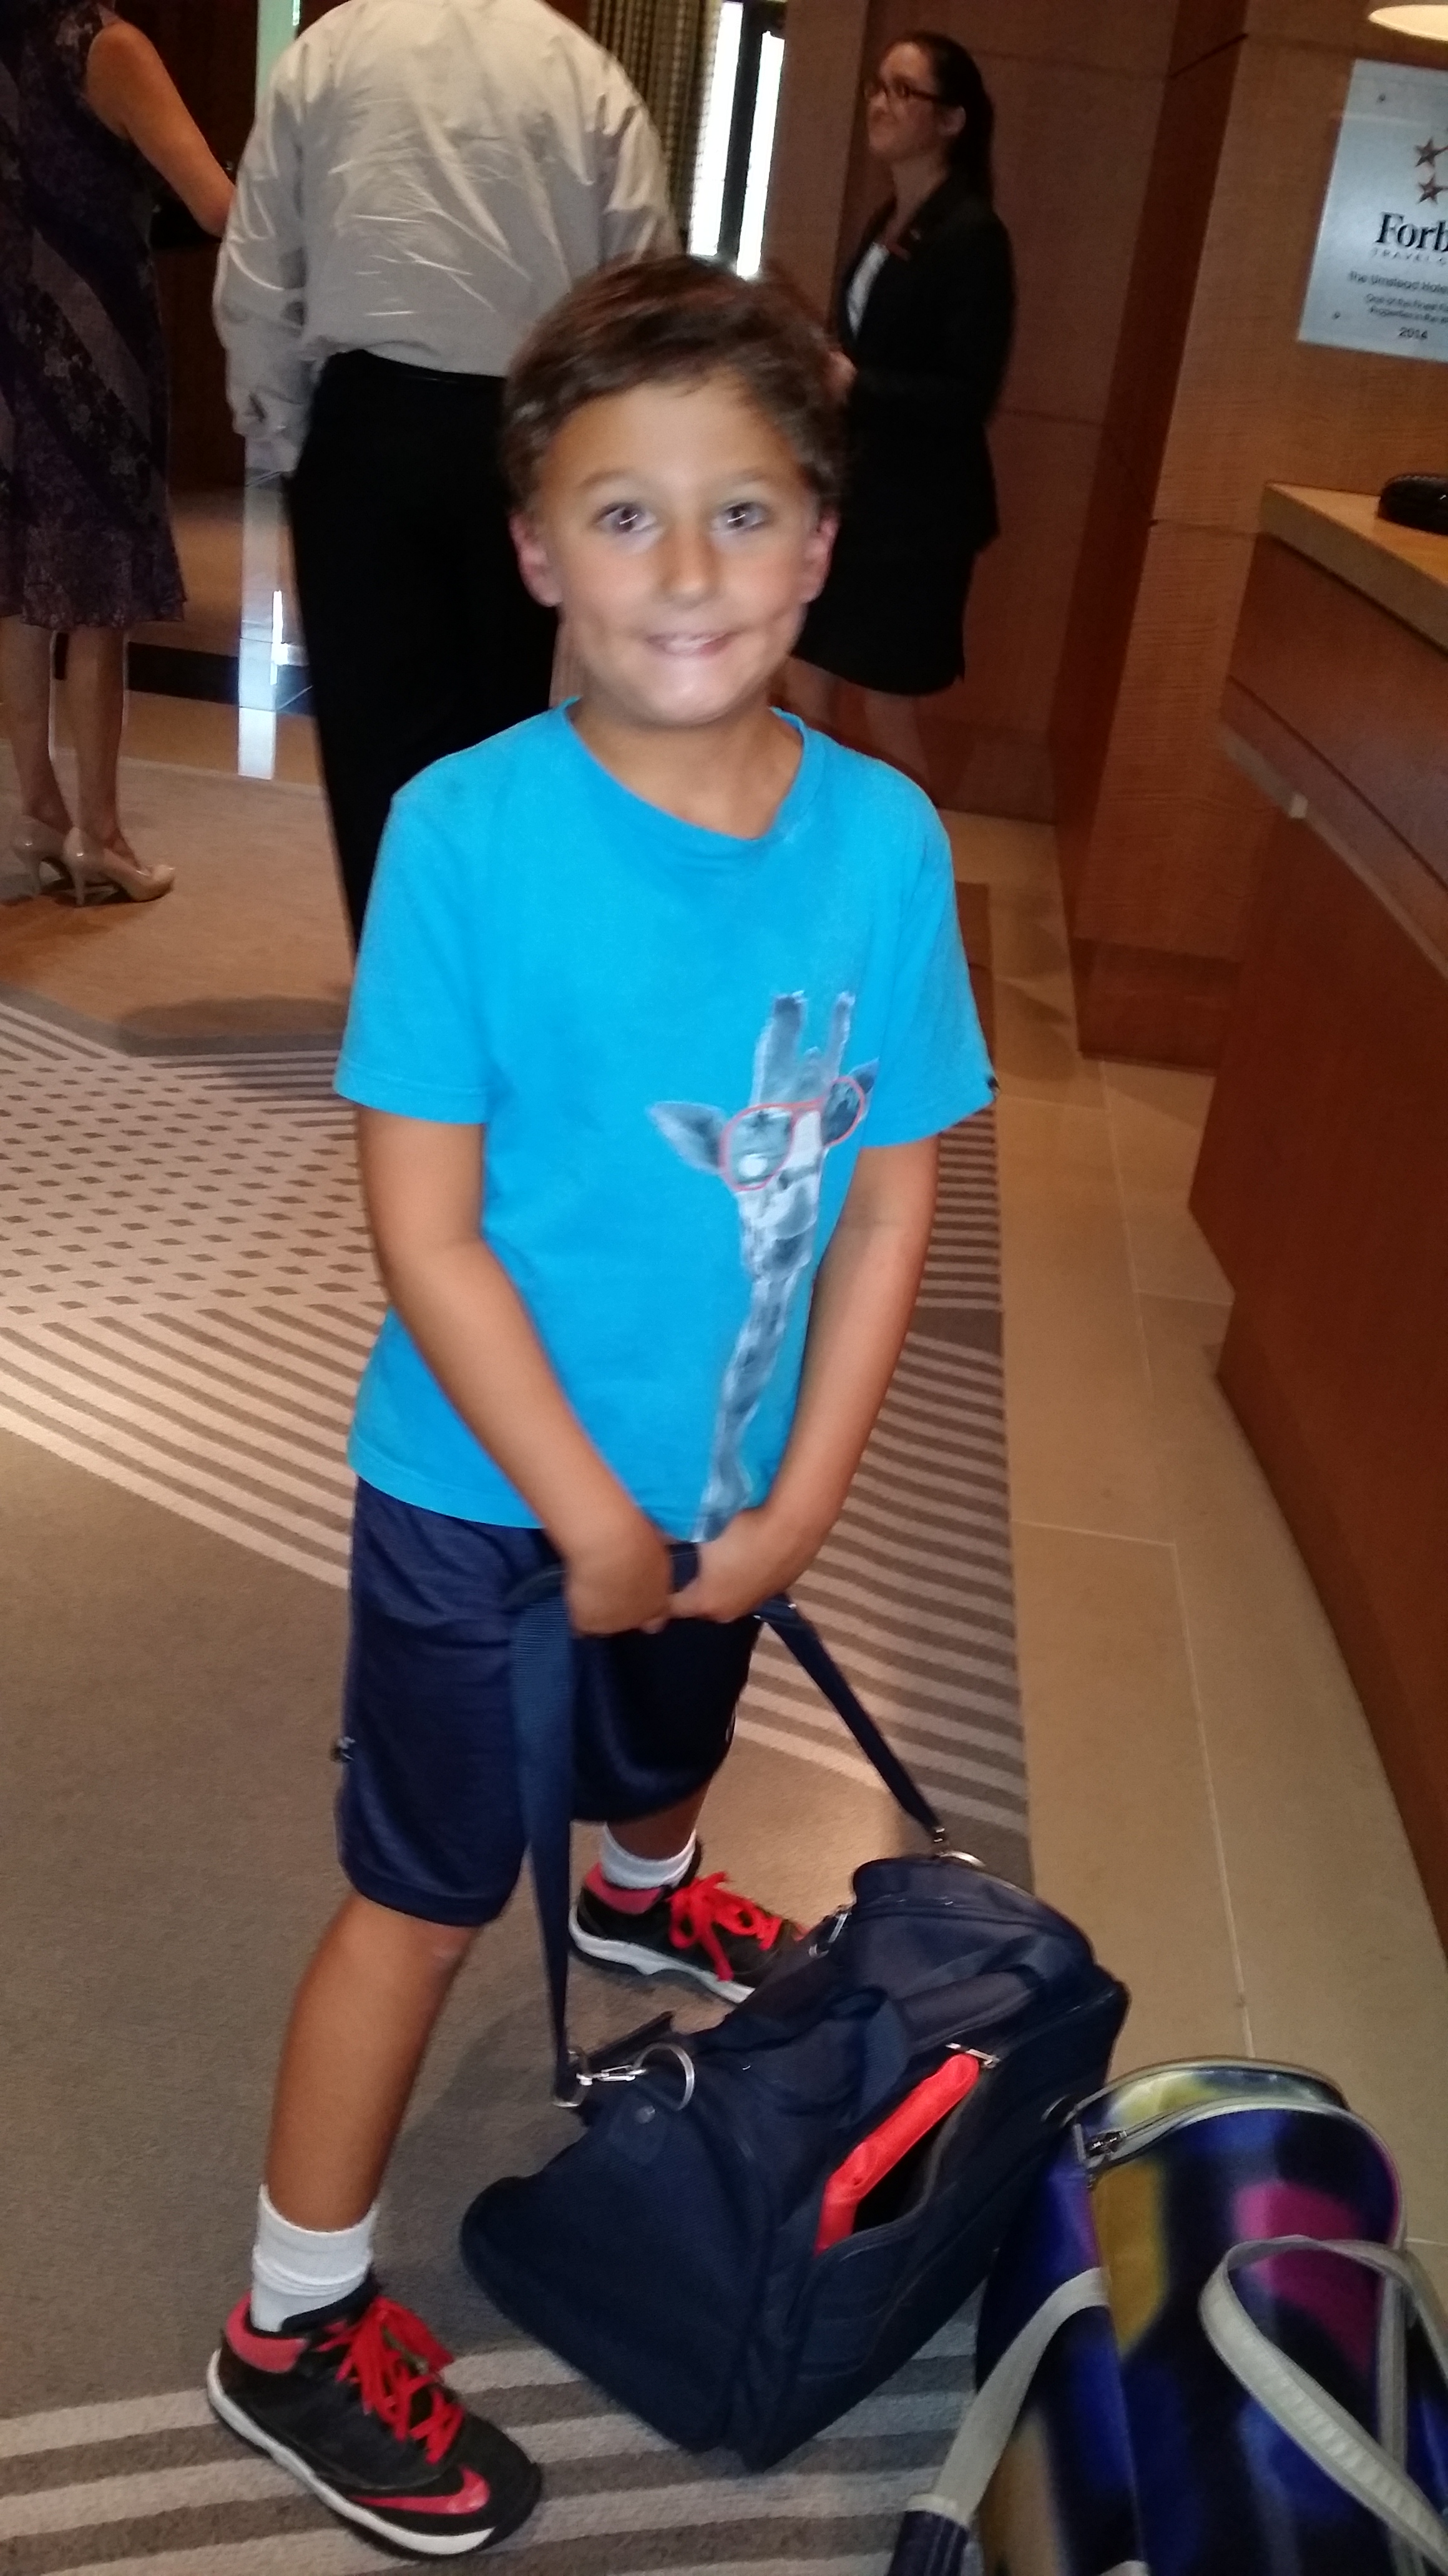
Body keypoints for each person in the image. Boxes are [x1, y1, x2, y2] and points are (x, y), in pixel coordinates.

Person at [204, 252, 994, 2558]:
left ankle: (644, 1897)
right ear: (536, 549)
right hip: (483, 1497)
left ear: (818, 539)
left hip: (723, 1491)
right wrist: (579, 1504)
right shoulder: (466, 833)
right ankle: (286, 2321)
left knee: (663, 1740)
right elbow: (427, 1230)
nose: (686, 568)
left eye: (739, 511)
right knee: (424, 1892)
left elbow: (884, 1199)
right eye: (621, 514)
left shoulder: (882, 843)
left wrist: (802, 1493)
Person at [213, 0, 677, 944]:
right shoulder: (579, 70)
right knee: (499, 728)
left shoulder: (330, 53)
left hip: (368, 421)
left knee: (370, 734)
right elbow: (642, 284)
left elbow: (258, 270)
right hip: (527, 430)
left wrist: (290, 437)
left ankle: (398, 976)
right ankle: (480, 968)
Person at [1, 0, 233, 904]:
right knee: (99, 598)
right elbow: (215, 203)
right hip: (89, 350)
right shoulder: (107, 46)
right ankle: (101, 837)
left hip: (7, 349)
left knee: (20, 582)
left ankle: (39, 811)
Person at [788, 32, 1015, 793]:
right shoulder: (891, 216)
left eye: (903, 91)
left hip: (917, 515)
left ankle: (909, 853)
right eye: (878, 86)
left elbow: (969, 394)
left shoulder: (972, 235)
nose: (881, 104)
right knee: (805, 672)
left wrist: (855, 384)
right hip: (859, 496)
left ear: (951, 120)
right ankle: (816, 841)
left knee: (886, 708)